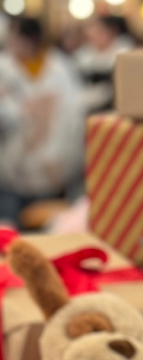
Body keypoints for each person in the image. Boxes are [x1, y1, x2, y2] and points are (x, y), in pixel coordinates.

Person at [0, 16, 84, 226]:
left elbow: (73, 118)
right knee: (8, 230)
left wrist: (66, 159)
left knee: (49, 229)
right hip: (10, 168)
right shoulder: (3, 67)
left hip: (51, 166)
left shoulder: (60, 67)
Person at [73, 15, 133, 113]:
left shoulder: (123, 51)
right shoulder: (84, 55)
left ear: (111, 32)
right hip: (89, 104)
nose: (96, 39)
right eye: (91, 37)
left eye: (99, 33)